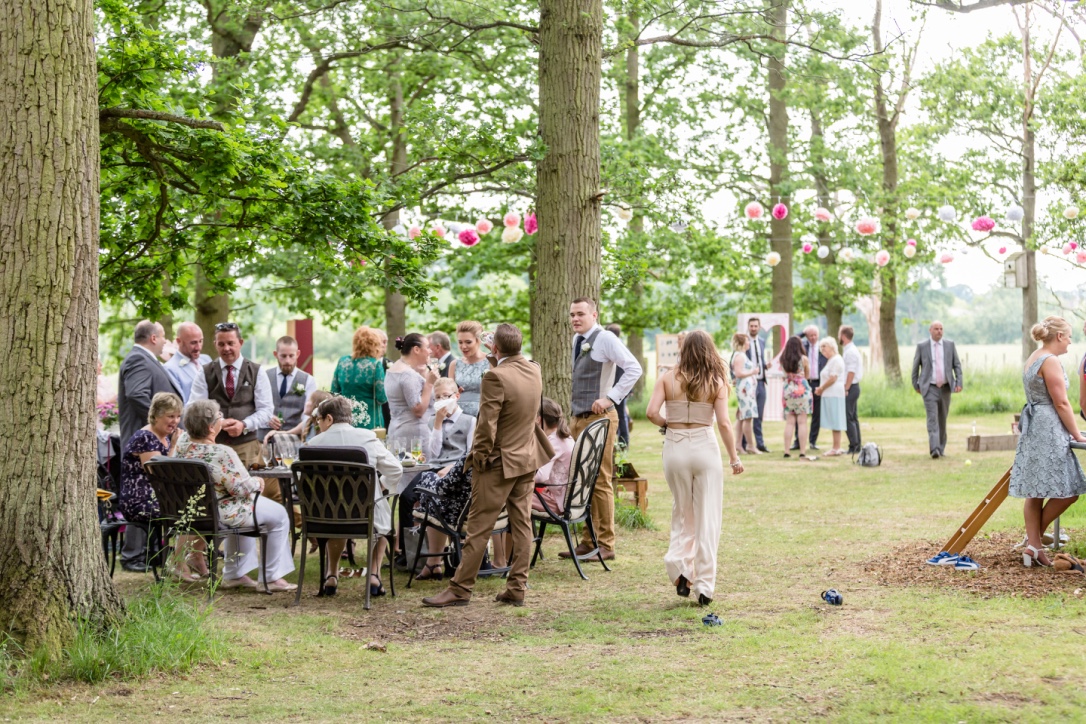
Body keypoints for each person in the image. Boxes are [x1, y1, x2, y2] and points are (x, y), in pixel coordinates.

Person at [422, 323, 554, 608]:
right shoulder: (534, 369)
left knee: (478, 528)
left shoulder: (495, 377)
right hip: (526, 458)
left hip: (497, 463)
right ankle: (517, 587)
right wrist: (497, 355)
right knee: (522, 525)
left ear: (494, 347)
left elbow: (487, 424)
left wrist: (478, 459)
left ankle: (460, 589)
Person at [647, 330, 744, 607]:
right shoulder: (717, 381)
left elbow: (652, 413)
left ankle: (680, 568)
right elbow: (724, 423)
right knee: (708, 517)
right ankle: (704, 586)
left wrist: (668, 425)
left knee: (682, 511)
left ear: (684, 349)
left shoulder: (667, 378)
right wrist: (734, 458)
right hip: (705, 447)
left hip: (675, 447)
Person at [175, 400, 296, 592]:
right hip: (222, 511)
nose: (222, 419)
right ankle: (271, 577)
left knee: (250, 508)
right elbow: (242, 488)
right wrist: (258, 482)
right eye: (219, 416)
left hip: (196, 510)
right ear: (211, 427)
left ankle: (235, 574)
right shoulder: (222, 452)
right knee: (279, 514)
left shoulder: (183, 444)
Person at [563, 298, 642, 562]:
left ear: (594, 315)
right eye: (572, 314)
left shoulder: (605, 338)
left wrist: (611, 398)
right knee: (582, 479)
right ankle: (588, 541)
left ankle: (606, 544)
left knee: (600, 479)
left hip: (600, 418)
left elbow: (634, 368)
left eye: (580, 314)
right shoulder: (577, 340)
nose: (575, 319)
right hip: (578, 418)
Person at [305, 395, 403, 597]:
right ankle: (373, 574)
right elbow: (396, 469)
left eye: (319, 420)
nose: (319, 425)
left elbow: (303, 480)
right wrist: (381, 485)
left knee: (337, 515)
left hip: (325, 517)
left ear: (329, 418)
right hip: (365, 515)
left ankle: (332, 575)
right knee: (382, 515)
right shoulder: (367, 438)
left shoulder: (313, 444)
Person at [1009, 317, 1086, 567]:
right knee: (1069, 491)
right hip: (1048, 428)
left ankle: (1033, 546)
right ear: (1060, 336)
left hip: (1034, 427)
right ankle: (1034, 543)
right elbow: (1061, 402)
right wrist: (1077, 434)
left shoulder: (1034, 356)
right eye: (1069, 336)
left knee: (1035, 491)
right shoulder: (1050, 360)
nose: (1071, 341)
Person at [188, 322, 274, 472]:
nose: (226, 348)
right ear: (215, 344)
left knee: (248, 485)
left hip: (247, 447)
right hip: (213, 447)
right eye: (221, 344)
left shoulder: (257, 371)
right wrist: (219, 423)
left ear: (240, 343)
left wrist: (244, 425)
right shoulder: (204, 372)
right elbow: (194, 408)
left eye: (230, 343)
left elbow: (266, 410)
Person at [118, 392, 182, 574]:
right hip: (138, 499)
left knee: (197, 509)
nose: (175, 421)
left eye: (178, 416)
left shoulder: (164, 437)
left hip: (156, 497)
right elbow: (159, 474)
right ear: (156, 415)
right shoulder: (145, 437)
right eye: (170, 416)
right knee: (184, 512)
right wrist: (174, 447)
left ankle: (172, 555)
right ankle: (144, 557)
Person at [118, 320, 180, 450]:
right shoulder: (138, 359)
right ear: (153, 338)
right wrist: (162, 423)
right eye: (163, 336)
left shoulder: (145, 359)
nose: (165, 341)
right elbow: (136, 394)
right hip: (146, 446)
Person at [911, 321, 963, 459]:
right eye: (936, 329)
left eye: (941, 329)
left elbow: (957, 365)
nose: (939, 331)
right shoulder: (922, 346)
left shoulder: (949, 345)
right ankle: (934, 449)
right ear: (930, 330)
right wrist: (916, 385)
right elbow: (915, 367)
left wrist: (959, 382)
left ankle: (941, 448)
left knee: (942, 419)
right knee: (932, 419)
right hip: (929, 388)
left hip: (946, 388)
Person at [257, 336, 317, 443]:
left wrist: (289, 432)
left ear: (297, 354)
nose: (287, 361)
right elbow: (254, 406)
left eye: (291, 356)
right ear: (275, 354)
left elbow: (309, 416)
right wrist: (266, 418)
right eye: (283, 356)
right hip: (263, 440)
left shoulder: (309, 380)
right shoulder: (263, 377)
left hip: (293, 440)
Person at [384, 332, 438, 444]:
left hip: (396, 431)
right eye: (427, 347)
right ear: (416, 349)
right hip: (414, 437)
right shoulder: (408, 374)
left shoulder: (393, 369)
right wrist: (429, 384)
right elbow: (418, 410)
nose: (430, 351)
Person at [330, 326, 388, 430]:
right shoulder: (375, 365)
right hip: (369, 419)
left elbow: (334, 392)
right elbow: (382, 398)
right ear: (374, 345)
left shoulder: (342, 362)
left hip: (345, 418)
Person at [532, 398, 576, 514]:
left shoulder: (553, 441)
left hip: (558, 501)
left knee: (514, 497)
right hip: (571, 498)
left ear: (539, 420)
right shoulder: (566, 436)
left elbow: (541, 477)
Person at [426, 377, 477, 463]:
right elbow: (433, 454)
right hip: (435, 466)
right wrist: (438, 422)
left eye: (446, 396)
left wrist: (452, 468)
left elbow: (470, 454)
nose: (441, 400)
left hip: (457, 467)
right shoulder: (431, 421)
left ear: (457, 396)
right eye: (437, 397)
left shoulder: (470, 421)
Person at [780, 336, 813, 461]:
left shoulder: (783, 359)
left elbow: (784, 375)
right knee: (802, 422)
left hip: (788, 390)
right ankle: (802, 452)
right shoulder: (803, 359)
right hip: (801, 390)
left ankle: (787, 451)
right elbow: (807, 375)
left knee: (789, 422)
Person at [793, 326, 826, 451]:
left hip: (818, 383)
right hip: (804, 383)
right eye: (810, 335)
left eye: (815, 335)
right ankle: (798, 441)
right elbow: (793, 340)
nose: (813, 338)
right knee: (800, 412)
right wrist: (802, 332)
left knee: (816, 414)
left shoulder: (823, 347)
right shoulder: (802, 346)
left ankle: (813, 441)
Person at [163, 322, 211, 404]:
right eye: (193, 343)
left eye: (200, 341)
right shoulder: (169, 369)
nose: (198, 347)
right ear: (179, 341)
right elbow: (177, 404)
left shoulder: (206, 359)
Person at [449, 320, 490, 417]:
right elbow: (449, 394)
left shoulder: (490, 361)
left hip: (483, 414)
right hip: (459, 415)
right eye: (460, 342)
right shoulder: (454, 364)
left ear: (478, 341)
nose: (463, 346)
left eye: (468, 342)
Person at [742, 317, 770, 453]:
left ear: (759, 327)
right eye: (751, 326)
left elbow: (759, 360)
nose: (753, 328)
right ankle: (743, 444)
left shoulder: (762, 341)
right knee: (746, 415)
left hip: (760, 382)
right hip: (747, 383)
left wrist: (765, 366)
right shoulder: (743, 342)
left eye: (755, 326)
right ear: (748, 327)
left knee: (759, 415)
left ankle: (760, 443)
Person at [815, 338, 846, 456]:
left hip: (834, 393)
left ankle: (836, 448)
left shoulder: (836, 360)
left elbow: (833, 378)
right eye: (821, 347)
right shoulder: (831, 360)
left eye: (825, 346)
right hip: (830, 393)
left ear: (832, 347)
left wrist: (821, 388)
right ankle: (836, 447)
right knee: (834, 420)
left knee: (835, 420)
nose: (822, 349)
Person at [729, 334, 759, 455]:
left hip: (747, 390)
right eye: (747, 341)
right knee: (747, 417)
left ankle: (738, 445)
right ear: (742, 343)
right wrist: (753, 372)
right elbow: (738, 373)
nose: (749, 343)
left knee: (742, 417)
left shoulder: (740, 355)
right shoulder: (740, 356)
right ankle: (750, 445)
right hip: (745, 391)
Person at [268, 390, 333, 444]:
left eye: (309, 400)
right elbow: (288, 432)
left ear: (315, 405)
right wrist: (274, 432)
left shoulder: (325, 426)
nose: (305, 403)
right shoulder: (307, 423)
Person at [605, 323, 632, 449]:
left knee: (620, 415)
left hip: (616, 387)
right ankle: (622, 442)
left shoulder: (615, 347)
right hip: (620, 387)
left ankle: (622, 442)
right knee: (621, 415)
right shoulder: (622, 347)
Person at [839, 326, 864, 455]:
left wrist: (846, 388)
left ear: (843, 336)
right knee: (853, 417)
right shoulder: (849, 350)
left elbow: (851, 372)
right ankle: (857, 445)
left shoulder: (850, 352)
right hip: (852, 386)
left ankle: (854, 445)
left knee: (848, 418)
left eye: (839, 335)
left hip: (851, 387)